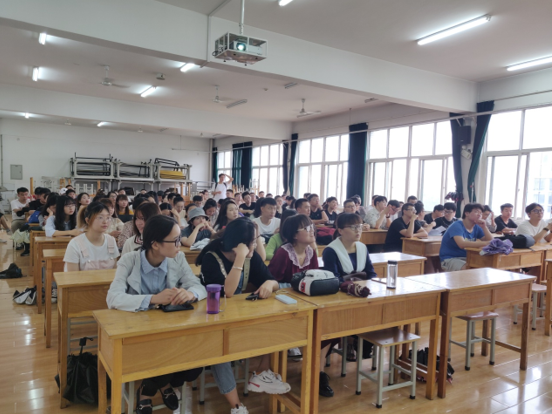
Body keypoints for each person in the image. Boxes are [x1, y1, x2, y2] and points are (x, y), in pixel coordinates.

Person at [106, 215, 206, 414]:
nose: (180, 244)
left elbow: (198, 286)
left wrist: (190, 294)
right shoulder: (129, 260)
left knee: (195, 364)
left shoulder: (177, 258)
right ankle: (154, 388)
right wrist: (153, 299)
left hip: (168, 329)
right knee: (164, 353)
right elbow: (113, 298)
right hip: (137, 331)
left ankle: (152, 385)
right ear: (155, 244)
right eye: (175, 240)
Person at [197, 218, 286, 413]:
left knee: (275, 325)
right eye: (253, 241)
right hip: (212, 319)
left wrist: (269, 284)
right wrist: (240, 259)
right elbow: (227, 292)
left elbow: (272, 280)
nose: (256, 245)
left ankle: (261, 373)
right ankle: (237, 406)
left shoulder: (250, 257)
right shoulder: (211, 258)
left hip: (238, 316)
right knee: (219, 349)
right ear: (239, 244)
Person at [65, 202, 120, 271]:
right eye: (100, 217)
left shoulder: (111, 241)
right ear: (88, 220)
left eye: (108, 217)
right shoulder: (75, 244)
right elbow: (72, 275)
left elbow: (114, 271)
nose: (105, 221)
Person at [323, 213, 377, 283]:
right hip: (342, 288)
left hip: (362, 286)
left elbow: (371, 273)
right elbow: (334, 280)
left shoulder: (362, 247)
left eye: (359, 226)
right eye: (353, 227)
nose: (358, 230)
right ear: (340, 231)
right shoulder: (331, 250)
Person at [440, 203, 493, 271]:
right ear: (467, 213)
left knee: (486, 267)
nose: (479, 215)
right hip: (450, 258)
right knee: (469, 270)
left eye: (480, 213)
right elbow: (462, 244)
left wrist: (484, 227)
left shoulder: (476, 227)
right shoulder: (457, 225)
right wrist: (485, 243)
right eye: (476, 212)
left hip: (467, 258)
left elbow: (491, 241)